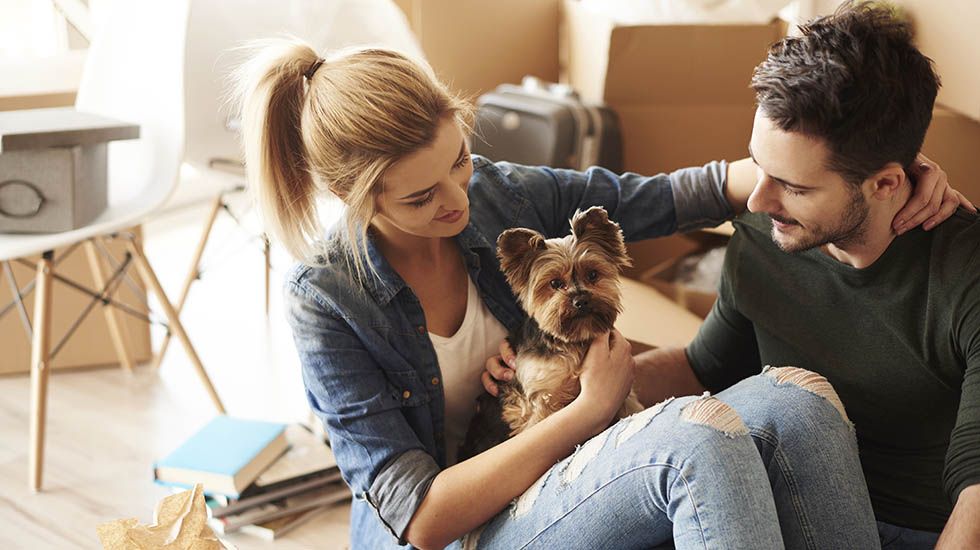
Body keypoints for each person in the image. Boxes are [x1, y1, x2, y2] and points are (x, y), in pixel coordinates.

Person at [231, 29, 964, 549]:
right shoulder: (325, 300)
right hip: (469, 527)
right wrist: (589, 408)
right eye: (420, 199)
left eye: (459, 160)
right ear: (349, 195)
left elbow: (677, 196)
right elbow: (420, 519)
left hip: (567, 454)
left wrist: (883, 173)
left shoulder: (492, 194)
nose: (457, 201)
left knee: (795, 398)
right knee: (693, 440)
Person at [544, 3, 976, 549]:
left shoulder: (964, 272)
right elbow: (706, 366)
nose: (756, 198)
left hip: (919, 531)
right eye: (757, 165)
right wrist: (561, 389)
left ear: (887, 184)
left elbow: (977, 491)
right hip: (773, 504)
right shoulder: (764, 232)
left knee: (788, 407)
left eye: (794, 186)